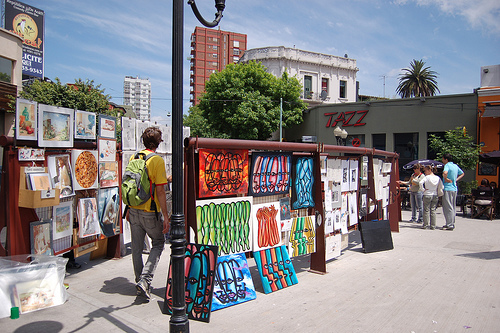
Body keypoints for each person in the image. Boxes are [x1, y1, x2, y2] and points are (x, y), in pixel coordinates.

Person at [126, 127, 171, 300]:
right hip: (150, 211)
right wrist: (165, 216)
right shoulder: (156, 160)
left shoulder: (134, 157)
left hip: (134, 209)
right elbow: (160, 191)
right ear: (158, 143)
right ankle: (145, 281)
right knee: (159, 242)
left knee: (136, 248)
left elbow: (131, 184)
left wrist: (129, 208)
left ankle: (139, 281)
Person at [441, 153, 464, 230]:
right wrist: (455, 180)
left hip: (447, 188)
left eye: (443, 158)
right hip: (454, 188)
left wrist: (446, 179)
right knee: (453, 206)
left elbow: (445, 173)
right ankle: (451, 222)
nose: (442, 160)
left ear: (446, 159)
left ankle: (450, 224)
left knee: (447, 207)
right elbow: (462, 173)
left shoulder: (447, 165)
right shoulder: (455, 166)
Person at [420, 165, 441, 229]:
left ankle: (425, 225)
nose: (425, 172)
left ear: (429, 170)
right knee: (433, 210)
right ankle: (433, 225)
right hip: (435, 194)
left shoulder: (427, 177)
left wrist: (423, 189)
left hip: (427, 193)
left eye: (425, 171)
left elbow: (420, 183)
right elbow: (441, 186)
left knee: (426, 210)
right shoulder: (437, 178)